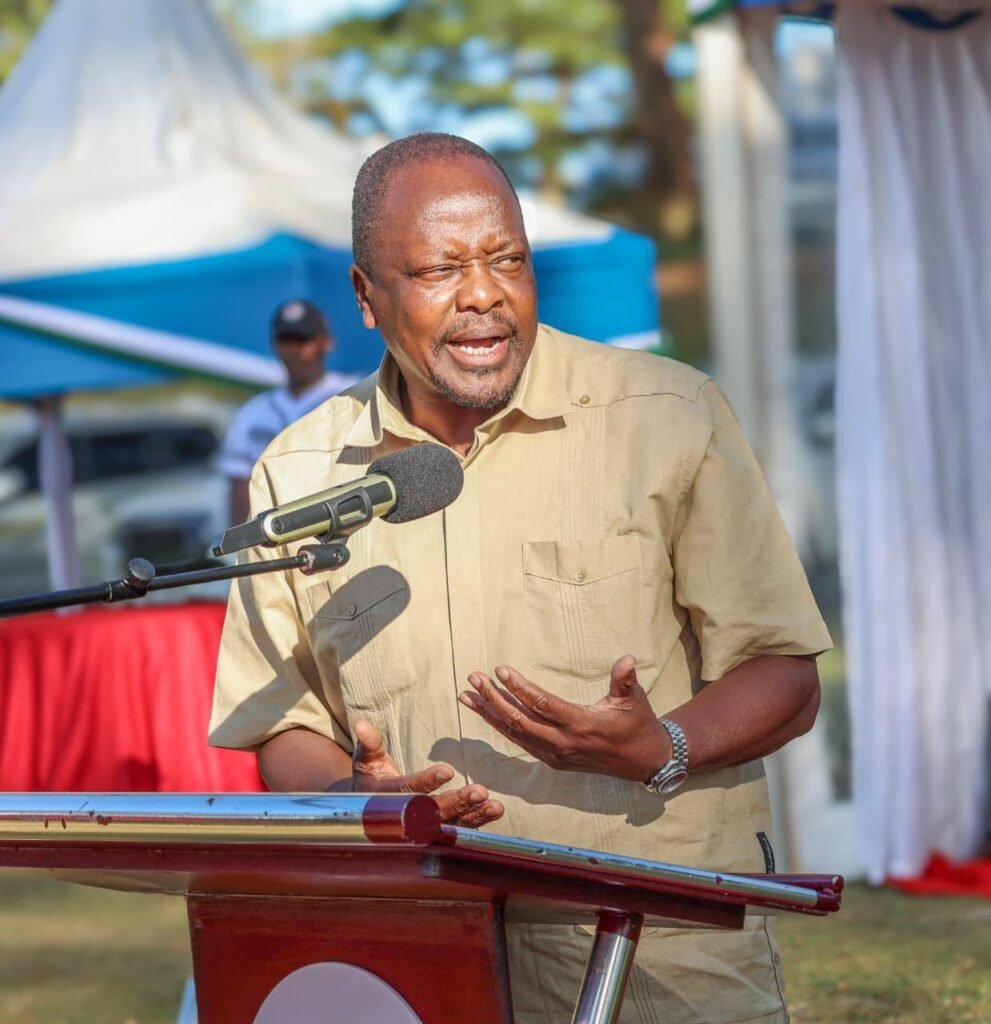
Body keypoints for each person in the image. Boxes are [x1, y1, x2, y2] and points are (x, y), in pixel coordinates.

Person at [210, 133, 832, 1024]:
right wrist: (358, 797)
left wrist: (663, 747)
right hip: (421, 944)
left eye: (507, 259)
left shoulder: (665, 414)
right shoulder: (300, 473)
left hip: (652, 944)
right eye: (437, 269)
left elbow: (785, 674)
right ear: (365, 297)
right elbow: (283, 723)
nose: (483, 294)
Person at [215, 300, 360, 525]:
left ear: (326, 342)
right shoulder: (252, 414)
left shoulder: (354, 396)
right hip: (275, 534)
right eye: (286, 340)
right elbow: (240, 490)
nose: (295, 350)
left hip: (343, 525)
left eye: (303, 340)